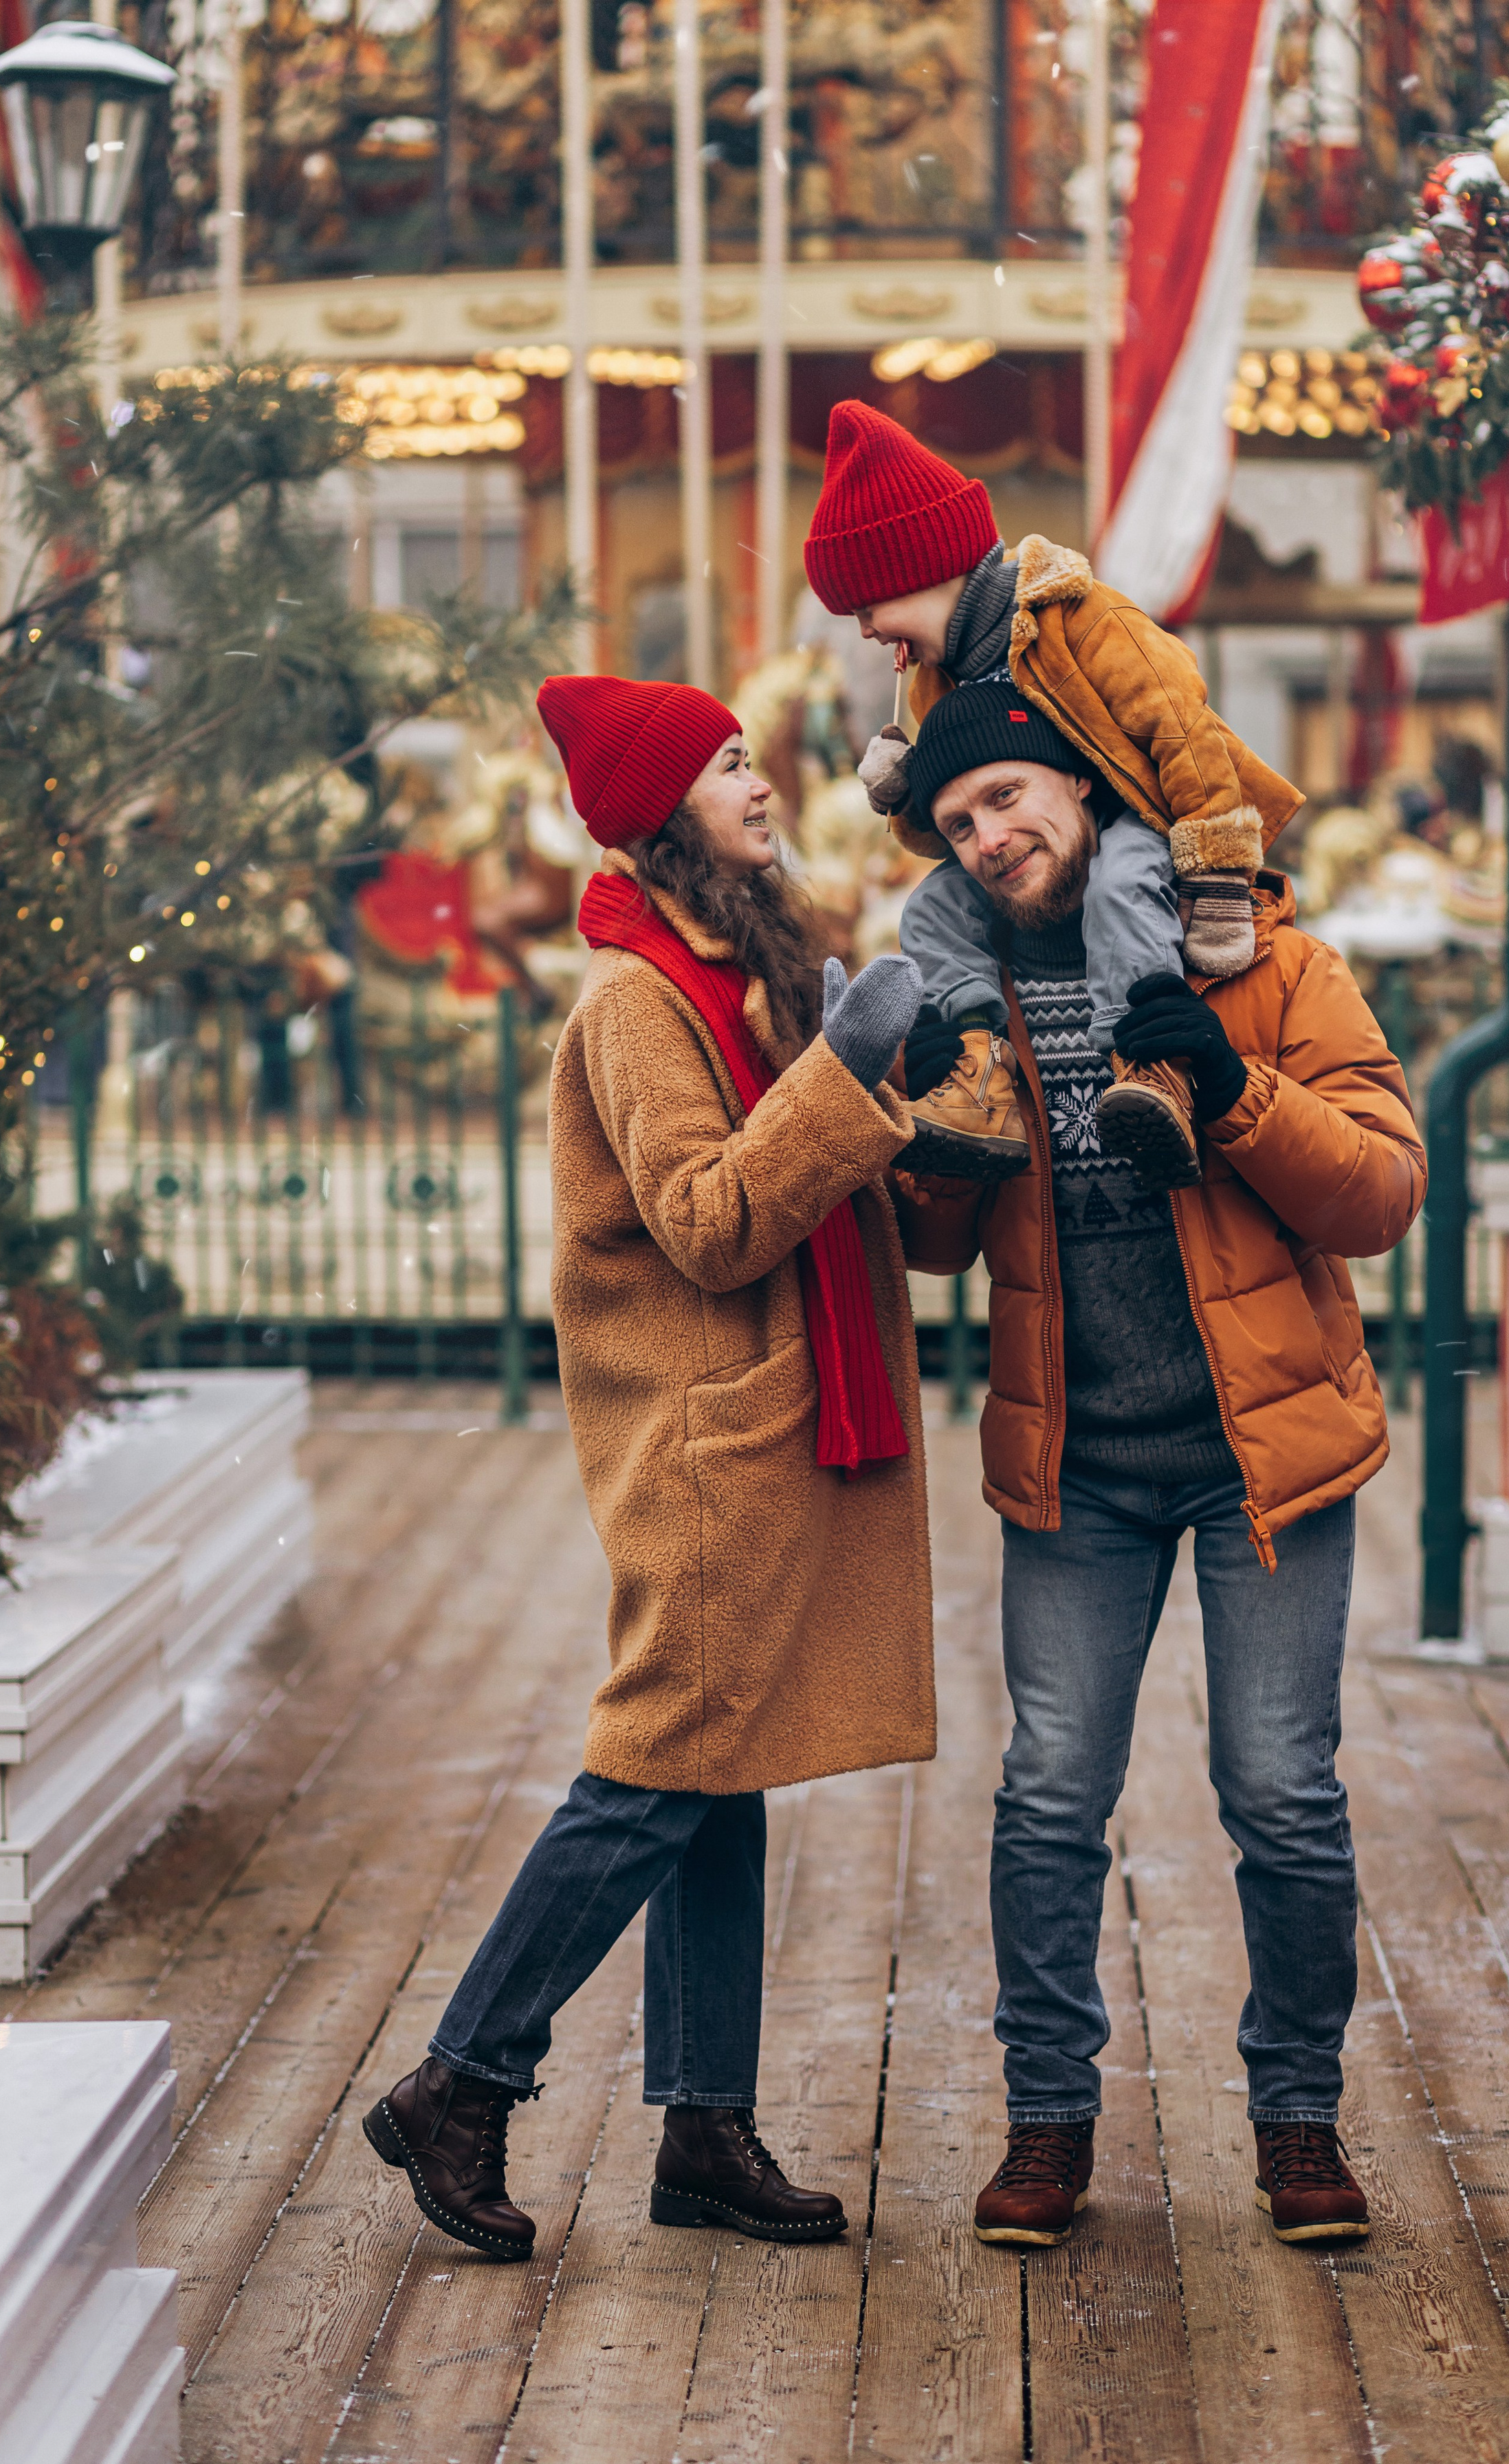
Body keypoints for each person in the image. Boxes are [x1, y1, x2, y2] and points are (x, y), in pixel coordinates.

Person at [363, 675, 935, 2259]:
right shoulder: (632, 1003)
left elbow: (812, 1181)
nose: (762, 782)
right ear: (665, 807)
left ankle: (700, 2127)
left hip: (752, 1430)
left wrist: (878, 1072)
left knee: (712, 1772)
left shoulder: (724, 975)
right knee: (651, 1773)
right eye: (729, 763)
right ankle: (458, 2084)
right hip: (702, 1450)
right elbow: (705, 1217)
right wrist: (840, 1073)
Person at [890, 685, 1427, 2250]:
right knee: (1049, 1794)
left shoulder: (1259, 962)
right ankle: (1046, 2122)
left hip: (1261, 1456)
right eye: (957, 823)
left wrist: (1235, 1087)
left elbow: (1382, 1190)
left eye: (1006, 796)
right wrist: (924, 1121)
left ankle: (1296, 2119)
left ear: (1075, 784)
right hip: (1076, 1463)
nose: (991, 836)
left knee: (1278, 1792)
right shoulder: (969, 992)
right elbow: (929, 1247)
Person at [802, 400, 1301, 1192]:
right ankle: (979, 1074)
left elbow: (1182, 728)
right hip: (1053, 858)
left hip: (1136, 825)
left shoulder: (1079, 616)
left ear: (914, 570)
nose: (864, 629)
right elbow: (954, 827)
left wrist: (1213, 872)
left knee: (1119, 882)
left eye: (866, 605)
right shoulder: (936, 679)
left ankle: (1149, 1063)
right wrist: (906, 791)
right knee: (929, 909)